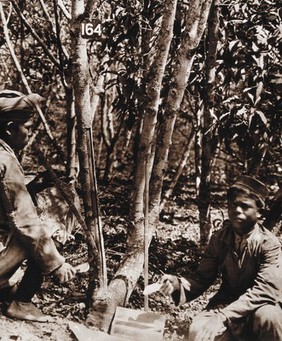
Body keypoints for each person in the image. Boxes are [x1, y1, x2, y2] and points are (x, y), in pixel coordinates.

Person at [160, 175, 282, 341]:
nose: (237, 210)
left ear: (259, 212)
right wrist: (176, 284)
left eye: (245, 206)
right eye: (233, 204)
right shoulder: (219, 239)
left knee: (269, 317)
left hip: (259, 306)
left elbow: (264, 291)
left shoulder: (270, 244)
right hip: (227, 302)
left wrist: (223, 316)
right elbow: (202, 278)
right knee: (198, 331)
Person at [0, 89, 77, 322]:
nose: (29, 133)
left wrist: (31, 187)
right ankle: (22, 302)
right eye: (28, 128)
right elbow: (25, 221)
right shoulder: (5, 161)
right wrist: (56, 263)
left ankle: (3, 288)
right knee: (47, 226)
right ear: (10, 128)